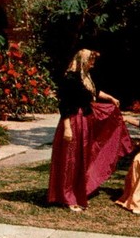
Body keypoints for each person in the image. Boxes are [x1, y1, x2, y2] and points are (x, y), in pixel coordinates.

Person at [47, 48, 133, 212]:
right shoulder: (70, 78)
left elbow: (93, 92)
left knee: (80, 159)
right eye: (91, 61)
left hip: (83, 122)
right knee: (70, 160)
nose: (93, 65)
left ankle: (77, 190)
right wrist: (67, 128)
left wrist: (110, 98)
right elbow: (65, 103)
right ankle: (67, 197)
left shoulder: (84, 77)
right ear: (83, 61)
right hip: (72, 121)